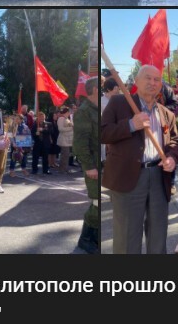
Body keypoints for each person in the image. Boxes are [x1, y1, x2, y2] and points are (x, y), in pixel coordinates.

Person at [101, 65, 178, 254]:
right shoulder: (119, 103)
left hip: (159, 177)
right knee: (127, 235)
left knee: (158, 233)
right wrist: (130, 125)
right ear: (136, 81)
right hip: (128, 177)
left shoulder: (166, 113)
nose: (153, 83)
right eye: (148, 78)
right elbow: (102, 133)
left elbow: (175, 142)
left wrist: (171, 158)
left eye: (157, 80)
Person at [73, 77, 100, 254]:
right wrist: (89, 166)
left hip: (102, 161)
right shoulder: (84, 112)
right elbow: (80, 142)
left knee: (99, 202)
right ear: (96, 89)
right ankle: (85, 239)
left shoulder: (98, 109)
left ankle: (94, 236)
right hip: (93, 163)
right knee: (97, 203)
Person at [57, 106, 74, 173]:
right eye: (69, 112)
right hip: (63, 140)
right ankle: (62, 169)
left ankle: (65, 168)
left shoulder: (66, 118)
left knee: (66, 155)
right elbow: (60, 129)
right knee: (65, 155)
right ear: (67, 112)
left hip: (68, 139)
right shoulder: (61, 119)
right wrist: (71, 128)